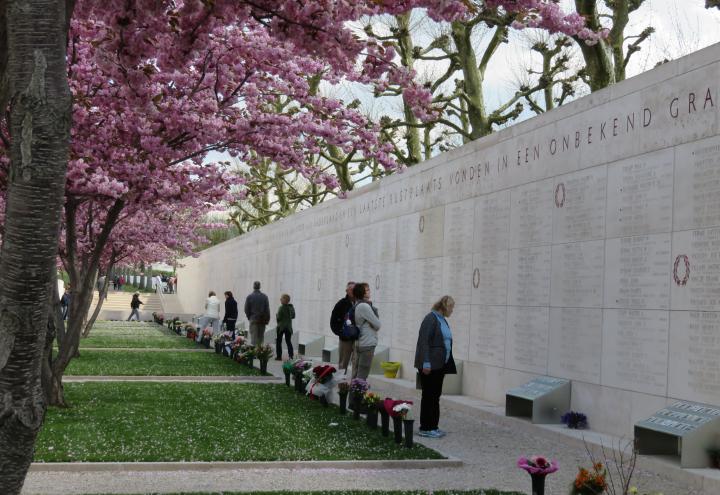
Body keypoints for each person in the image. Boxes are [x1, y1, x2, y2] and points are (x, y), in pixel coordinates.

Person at [414, 295, 457, 439]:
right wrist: (426, 362)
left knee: (435, 396)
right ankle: (425, 427)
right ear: (444, 306)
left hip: (440, 365)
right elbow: (424, 341)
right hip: (430, 365)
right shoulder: (430, 318)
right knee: (428, 396)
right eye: (451, 307)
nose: (452, 311)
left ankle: (434, 426)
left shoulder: (442, 319)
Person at [351, 282, 381, 380]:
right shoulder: (364, 306)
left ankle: (353, 395)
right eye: (367, 290)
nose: (369, 291)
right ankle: (357, 395)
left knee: (357, 375)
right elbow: (378, 325)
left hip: (361, 343)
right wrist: (372, 323)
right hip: (366, 344)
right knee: (361, 377)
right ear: (362, 293)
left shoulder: (358, 305)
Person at [330, 281, 355, 371]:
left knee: (356, 363)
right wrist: (340, 332)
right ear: (347, 291)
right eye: (351, 289)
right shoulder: (341, 303)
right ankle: (341, 383)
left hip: (357, 339)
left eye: (354, 289)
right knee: (343, 363)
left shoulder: (360, 303)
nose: (353, 291)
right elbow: (333, 320)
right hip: (345, 339)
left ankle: (356, 384)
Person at [244, 281, 270, 345]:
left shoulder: (249, 296)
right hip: (262, 320)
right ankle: (260, 353)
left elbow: (246, 309)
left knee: (254, 338)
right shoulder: (264, 297)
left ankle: (254, 353)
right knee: (261, 338)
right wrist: (267, 319)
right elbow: (267, 310)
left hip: (253, 319)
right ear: (260, 287)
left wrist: (249, 317)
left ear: (253, 286)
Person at [275, 293, 295, 360]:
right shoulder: (291, 307)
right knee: (288, 341)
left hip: (281, 327)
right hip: (289, 327)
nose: (280, 299)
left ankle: (279, 356)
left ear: (285, 300)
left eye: (282, 298)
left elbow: (279, 318)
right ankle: (291, 356)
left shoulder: (281, 308)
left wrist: (277, 315)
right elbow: (293, 316)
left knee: (279, 341)